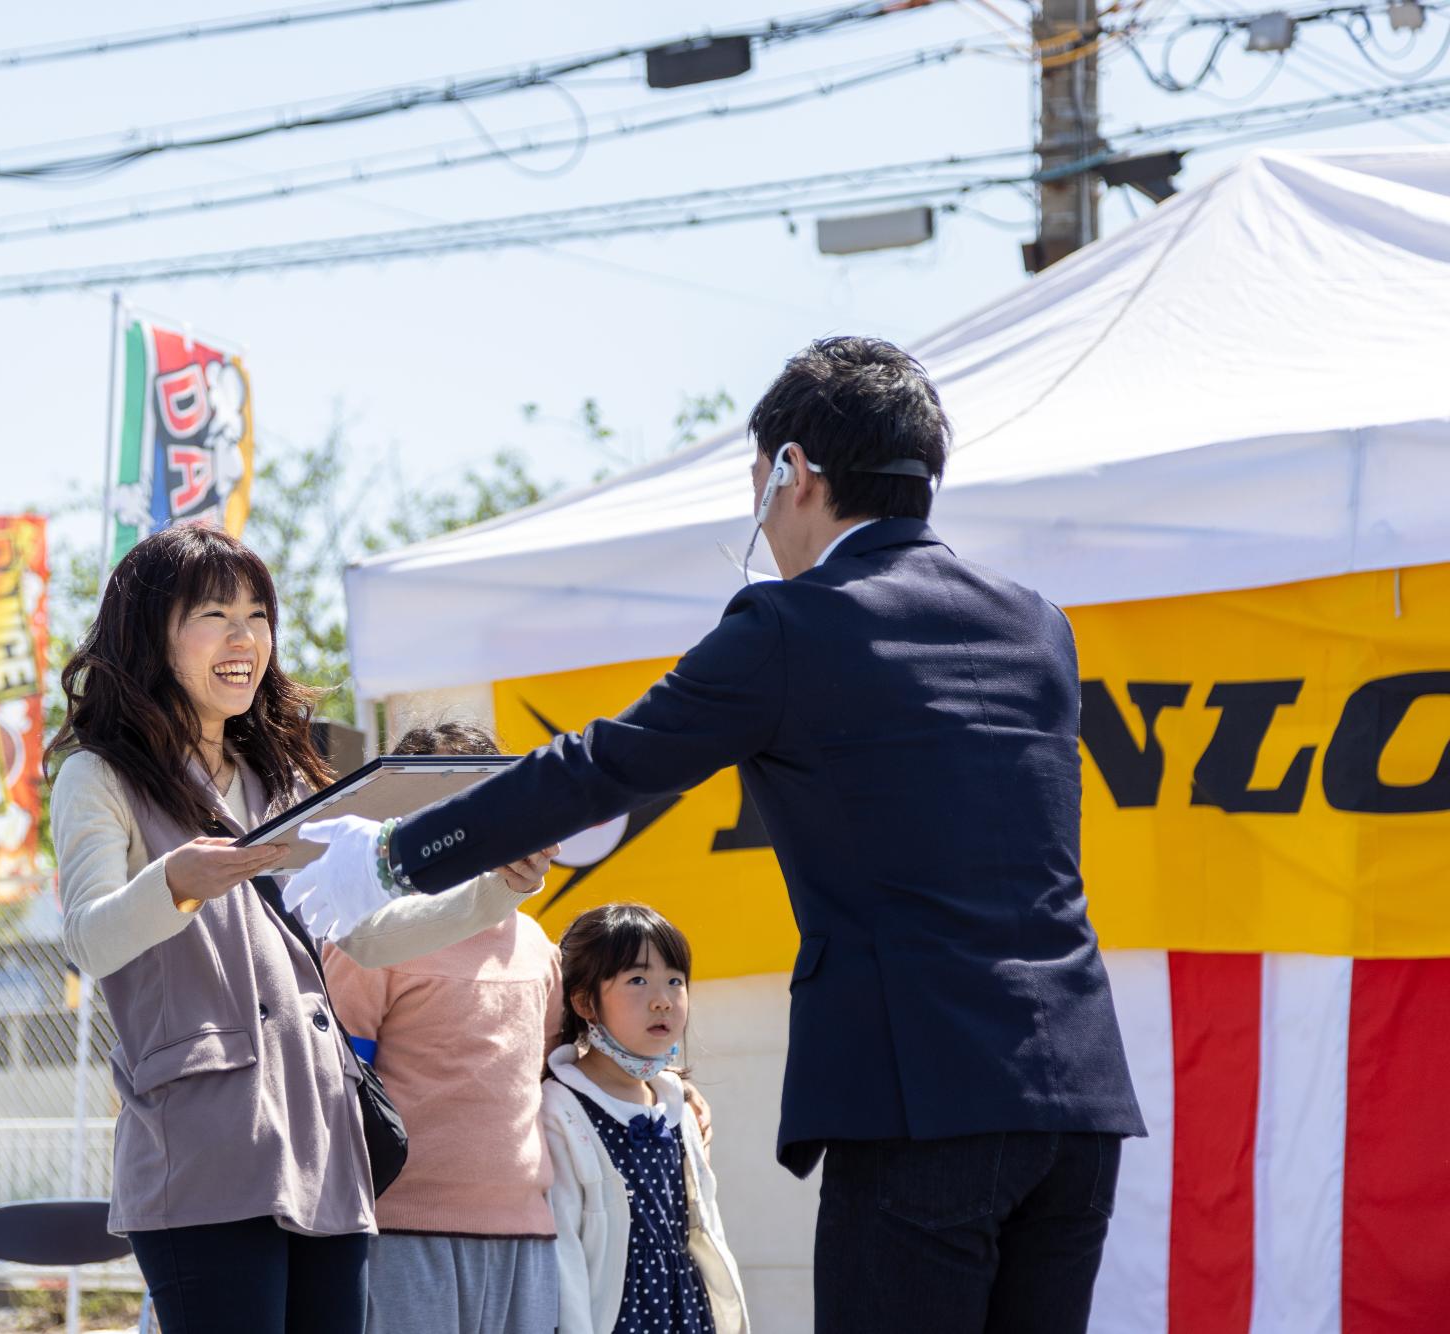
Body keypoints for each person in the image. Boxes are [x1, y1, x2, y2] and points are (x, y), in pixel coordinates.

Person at [292, 336, 1145, 1334]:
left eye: (755, 477)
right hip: (1077, 1099)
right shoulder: (1037, 624)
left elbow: (599, 762)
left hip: (921, 1099)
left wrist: (392, 855)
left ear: (792, 471)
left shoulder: (794, 625)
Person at [47, 525, 556, 1334]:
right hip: (202, 1144)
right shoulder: (97, 774)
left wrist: (492, 894)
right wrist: (174, 883)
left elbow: (366, 936)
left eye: (258, 613)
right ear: (151, 635)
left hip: (322, 1136)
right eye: (213, 613)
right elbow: (87, 940)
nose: (245, 636)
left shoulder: (279, 778)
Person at [322, 721, 566, 1334]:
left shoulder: (539, 947)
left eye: (479, 799)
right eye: (437, 806)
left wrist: (674, 1088)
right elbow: (337, 1085)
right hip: (401, 1231)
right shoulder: (368, 939)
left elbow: (559, 1074)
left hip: (527, 1233)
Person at [544, 903, 744, 1334]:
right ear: (584, 1002)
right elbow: (563, 1253)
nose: (663, 1000)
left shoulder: (676, 1107)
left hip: (685, 1311)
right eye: (638, 980)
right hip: (613, 1317)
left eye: (675, 980)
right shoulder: (561, 1109)